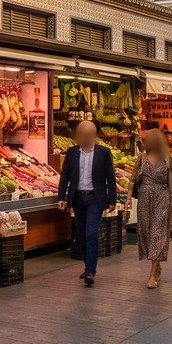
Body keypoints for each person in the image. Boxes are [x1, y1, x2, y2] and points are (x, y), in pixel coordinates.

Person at [56, 121, 112, 287]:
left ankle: (90, 270)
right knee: (81, 234)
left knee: (91, 233)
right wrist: (62, 197)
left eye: (89, 134)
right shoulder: (72, 152)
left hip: (95, 198)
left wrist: (112, 200)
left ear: (94, 135)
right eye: (83, 134)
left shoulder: (103, 152)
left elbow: (110, 177)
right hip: (78, 198)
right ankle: (87, 265)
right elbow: (65, 175)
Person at [134, 130, 172, 288]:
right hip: (145, 199)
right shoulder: (141, 158)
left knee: (157, 234)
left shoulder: (168, 160)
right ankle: (157, 265)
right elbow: (133, 179)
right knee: (147, 233)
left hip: (162, 197)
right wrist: (127, 199)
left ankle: (153, 274)